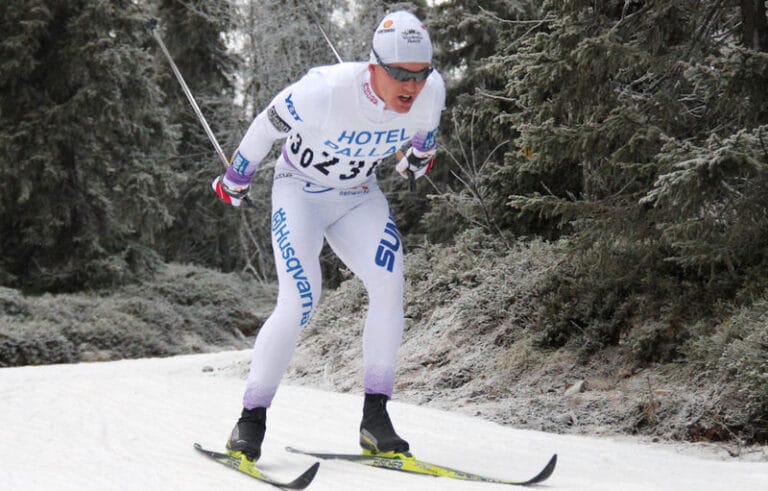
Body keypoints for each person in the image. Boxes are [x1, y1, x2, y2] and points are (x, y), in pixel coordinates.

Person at [211, 10, 446, 462]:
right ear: (374, 66)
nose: (410, 86)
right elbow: (265, 125)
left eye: (420, 75)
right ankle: (250, 420)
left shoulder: (429, 93)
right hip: (300, 193)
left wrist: (419, 158)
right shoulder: (324, 91)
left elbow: (425, 137)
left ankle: (375, 419)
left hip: (359, 196)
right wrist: (236, 176)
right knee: (300, 299)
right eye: (399, 74)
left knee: (389, 284)